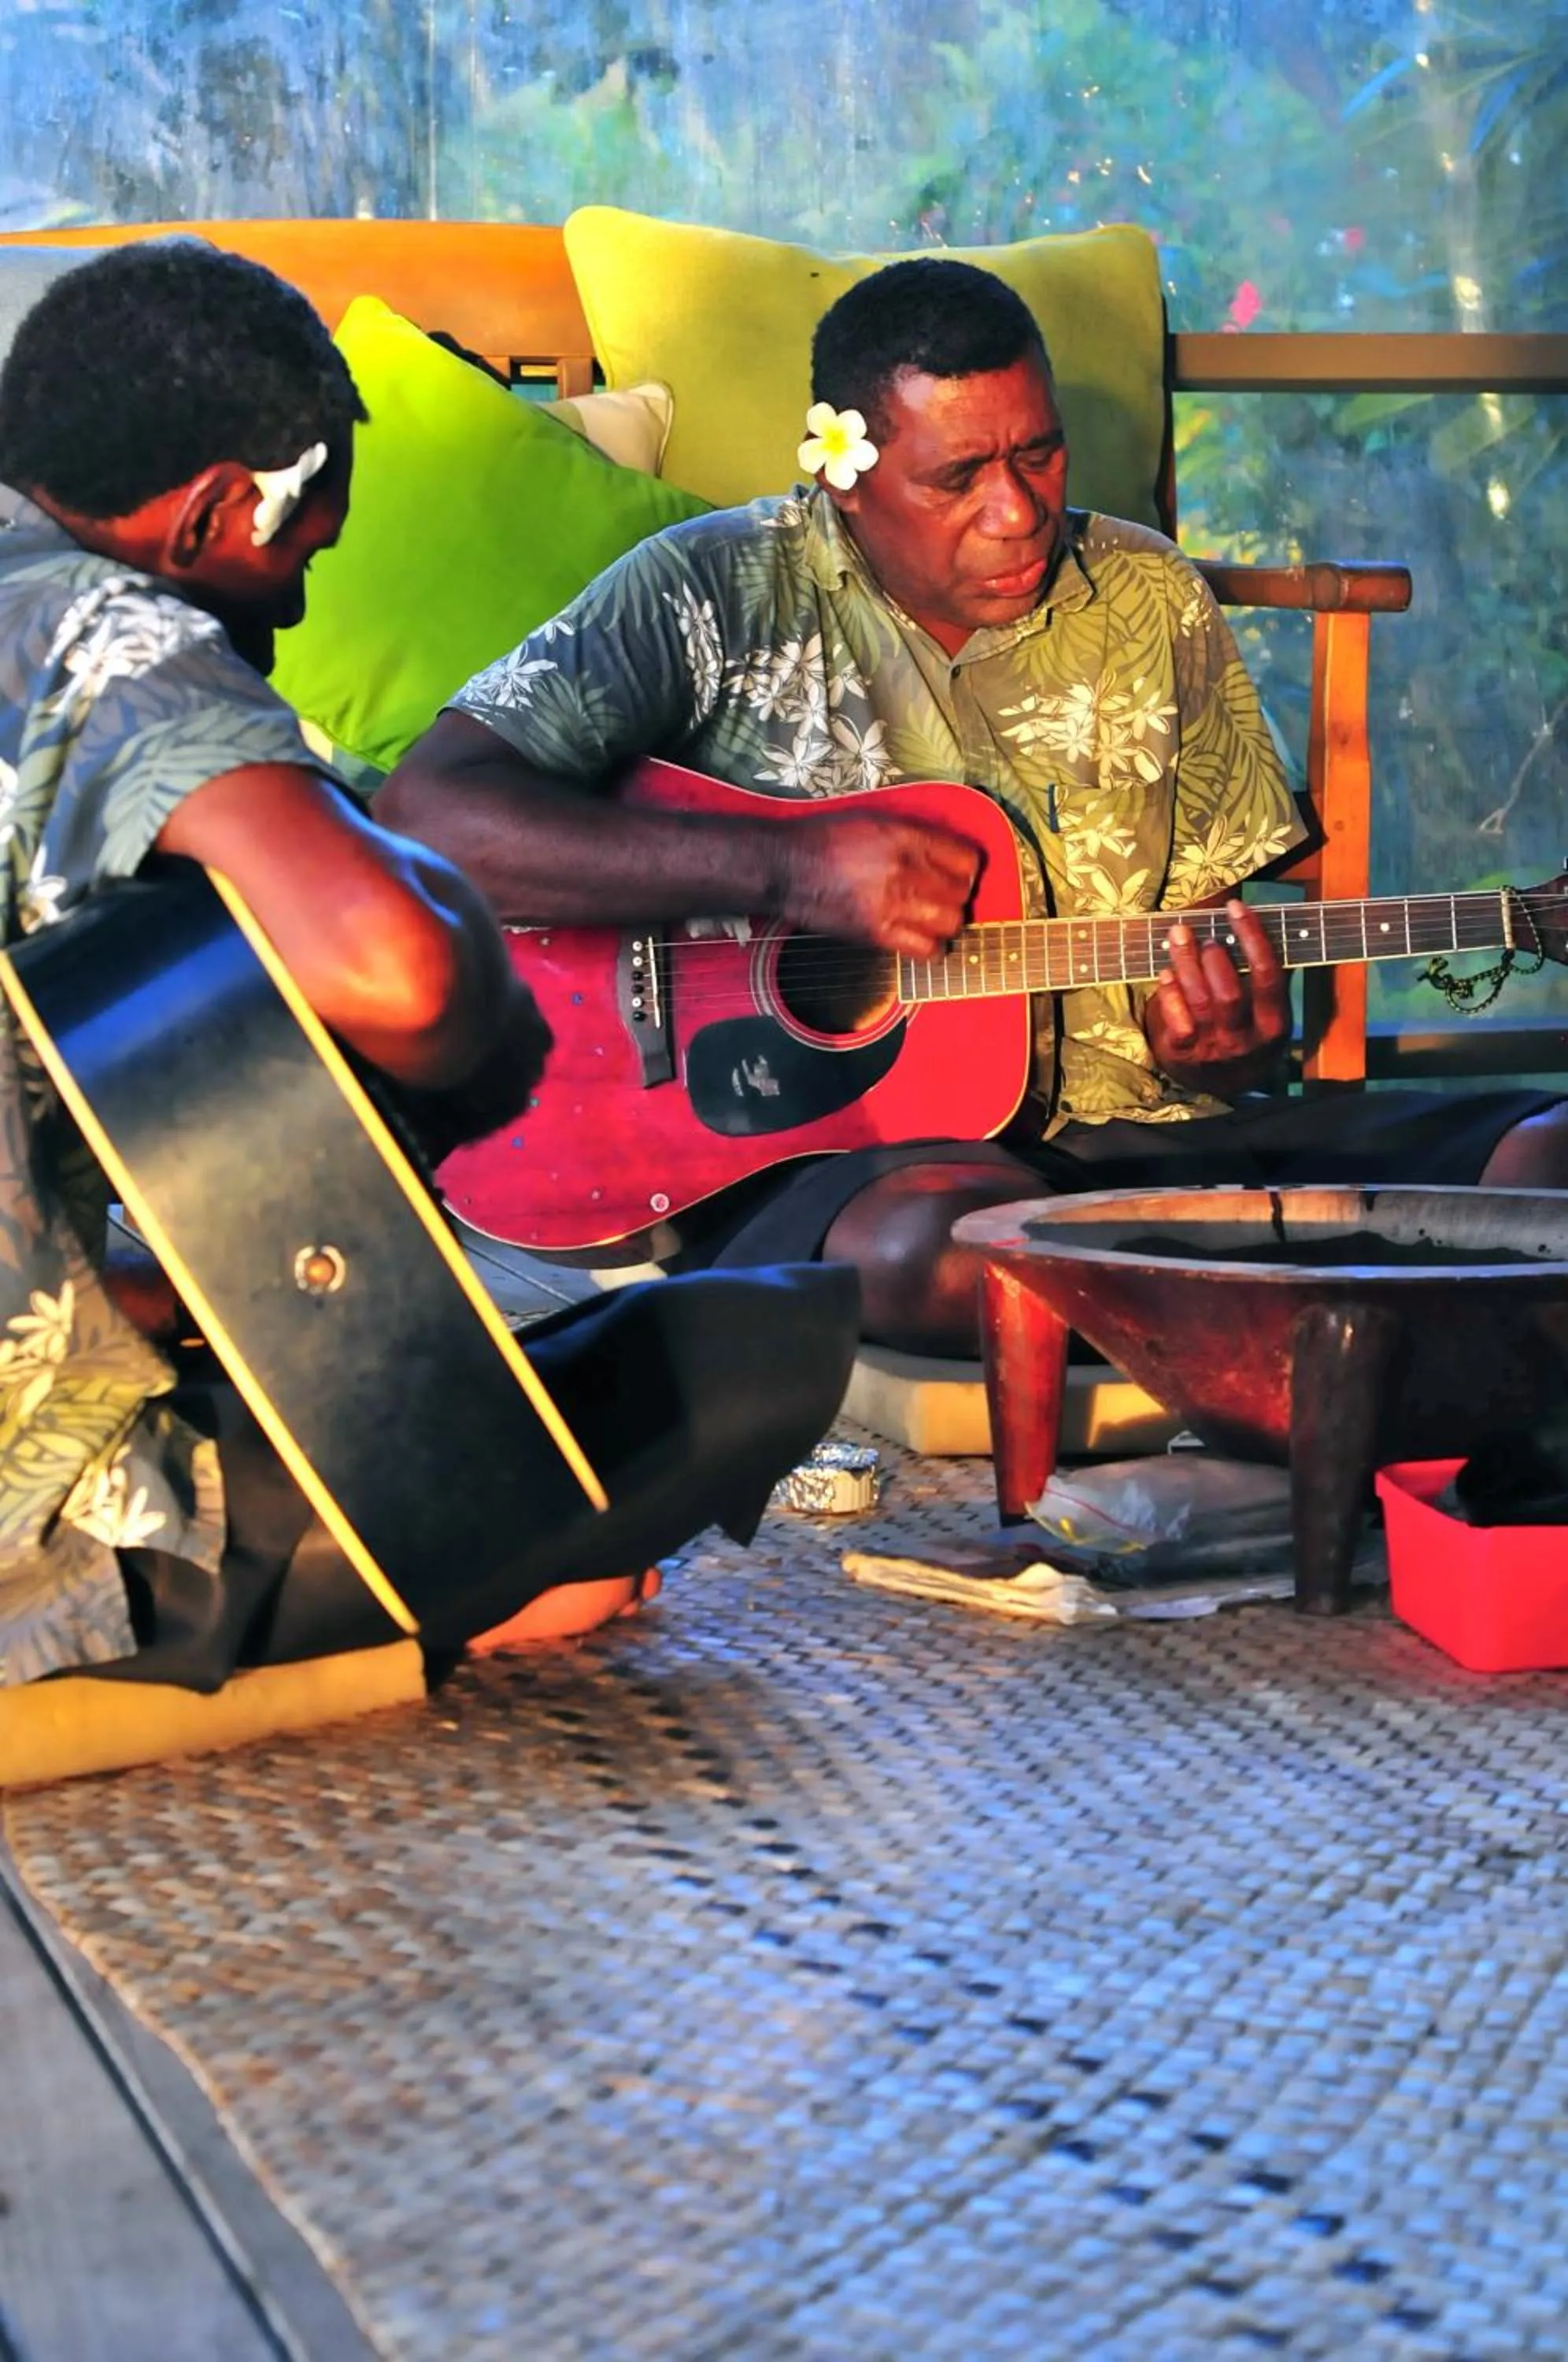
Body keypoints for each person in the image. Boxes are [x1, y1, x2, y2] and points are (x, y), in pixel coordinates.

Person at [379, 257, 1568, 1357]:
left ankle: (1263, 1334)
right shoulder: (707, 590)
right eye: (958, 477)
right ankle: (1314, 1325)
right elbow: (431, 820)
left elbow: (1226, 1016)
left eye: (1039, 456)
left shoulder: (1151, 598)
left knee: (1547, 1162)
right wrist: (783, 872)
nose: (1016, 512)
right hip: (880, 1170)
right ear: (843, 477)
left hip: (1146, 1149)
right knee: (951, 1256)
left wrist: (1226, 1046)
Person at [0, 241, 856, 1691]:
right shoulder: (101, 632)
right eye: (296, 558)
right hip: (37, 1521)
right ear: (214, 510)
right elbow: (403, 969)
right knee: (747, 1356)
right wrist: (472, 1027)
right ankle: (426, 1584)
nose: (280, 625)